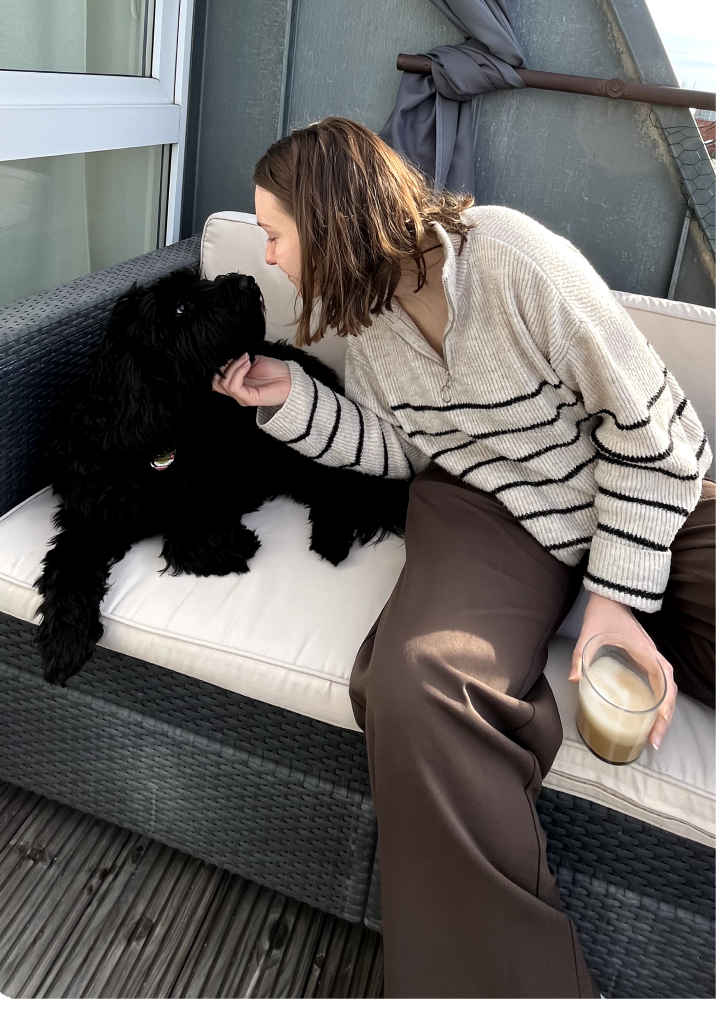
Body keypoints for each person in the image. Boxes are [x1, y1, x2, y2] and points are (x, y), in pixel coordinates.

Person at [212, 116, 716, 1000]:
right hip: (489, 513)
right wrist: (293, 398)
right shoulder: (368, 323)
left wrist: (617, 599)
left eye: (277, 234)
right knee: (416, 683)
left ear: (331, 219)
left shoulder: (512, 259)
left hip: (646, 490)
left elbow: (653, 430)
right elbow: (402, 449)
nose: (272, 257)